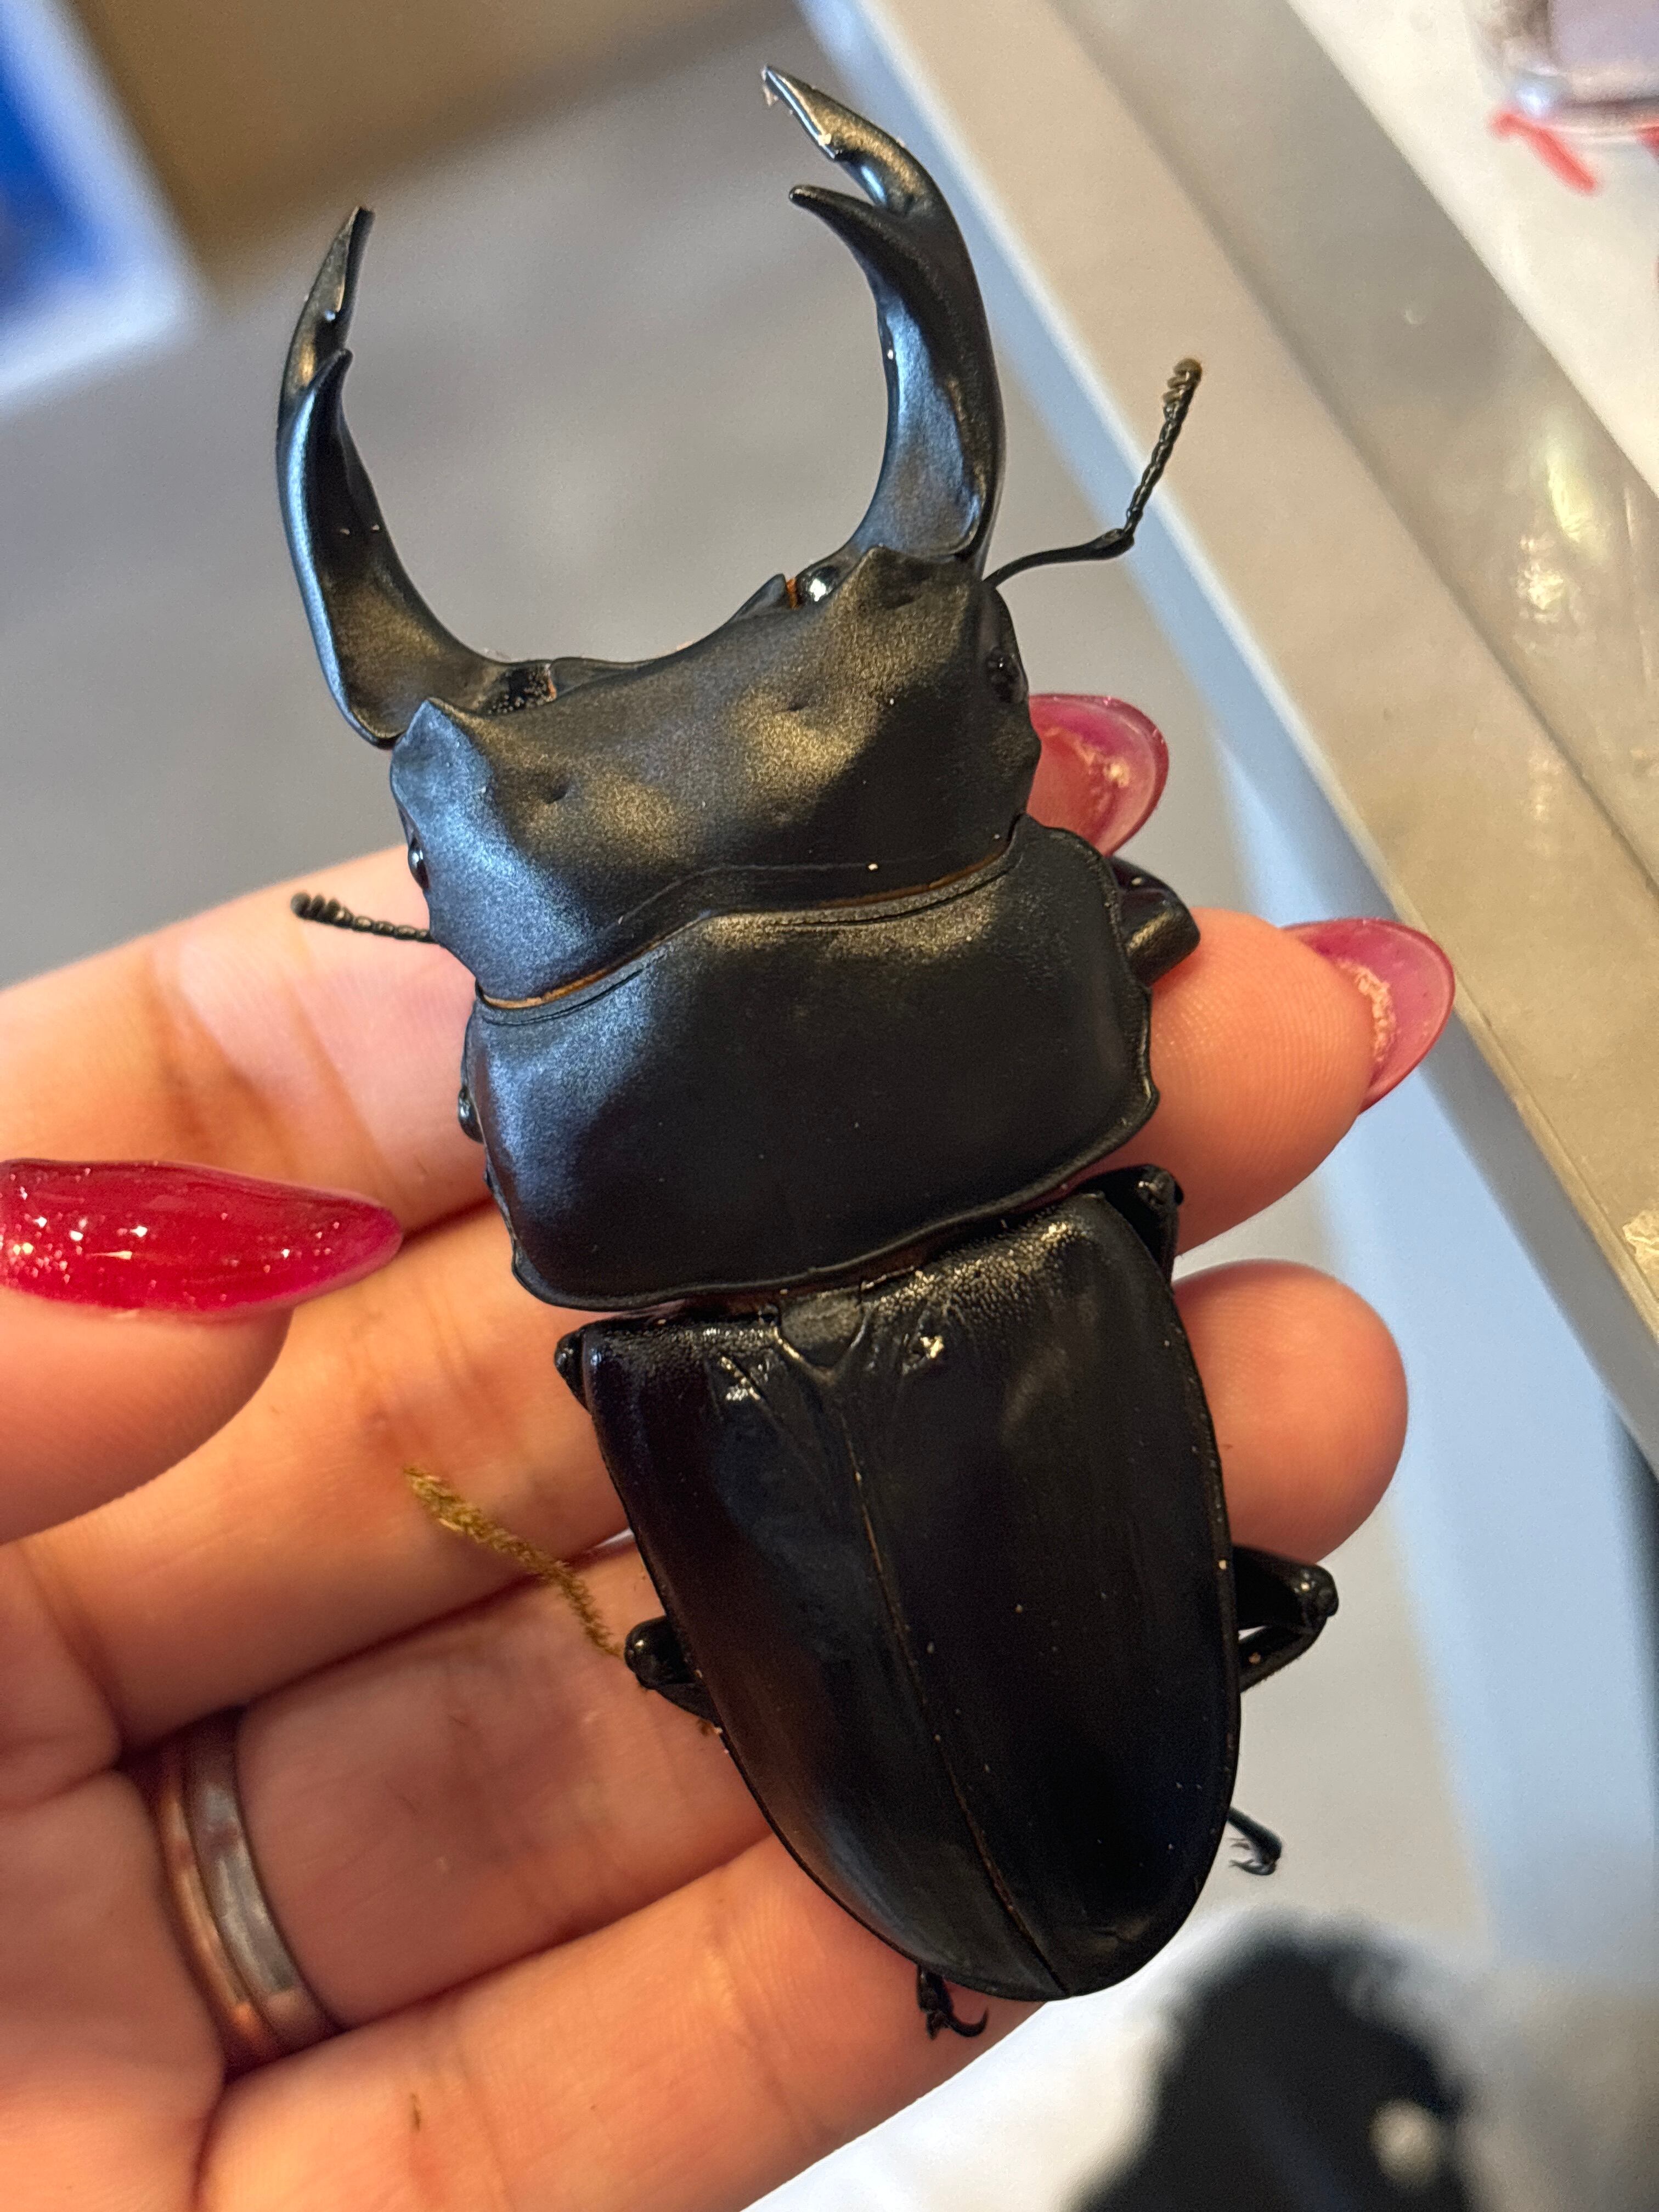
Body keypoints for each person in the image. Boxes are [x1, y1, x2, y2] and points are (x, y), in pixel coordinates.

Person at [0, 833, 1426, 2210]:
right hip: (1042, 1806)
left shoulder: (631, 1372)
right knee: (1252, 1489)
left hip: (952, 1835)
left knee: (671, 1632)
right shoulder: (1039, 1253)